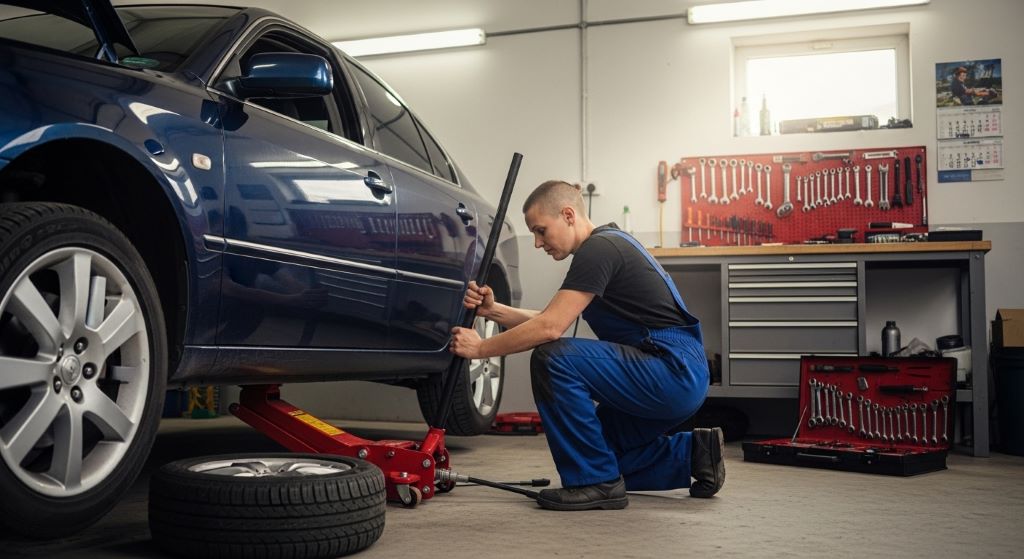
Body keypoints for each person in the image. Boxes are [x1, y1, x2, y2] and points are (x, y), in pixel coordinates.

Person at [449, 180, 724, 511]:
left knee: (553, 358)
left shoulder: (599, 250)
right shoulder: (608, 246)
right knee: (602, 450)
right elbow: (550, 317)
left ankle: (595, 482)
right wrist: (496, 311)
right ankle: (695, 454)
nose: (537, 243)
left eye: (540, 230)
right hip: (674, 372)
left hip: (672, 370)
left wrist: (481, 348)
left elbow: (550, 328)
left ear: (567, 215)